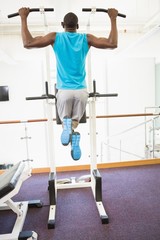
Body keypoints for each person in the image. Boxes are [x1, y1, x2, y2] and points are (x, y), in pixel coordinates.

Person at [18, 7, 118, 161]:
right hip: (81, 92)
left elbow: (28, 43)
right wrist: (113, 18)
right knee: (75, 121)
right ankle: (71, 130)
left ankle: (67, 126)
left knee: (67, 120)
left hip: (64, 91)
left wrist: (23, 17)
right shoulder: (86, 38)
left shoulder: (55, 37)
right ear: (77, 27)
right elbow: (112, 43)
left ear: (62, 24)